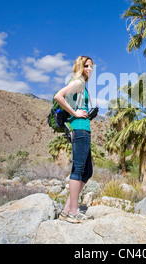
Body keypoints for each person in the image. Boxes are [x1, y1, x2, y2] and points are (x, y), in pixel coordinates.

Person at [53, 55, 94, 223]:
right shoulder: (78, 82)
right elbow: (58, 96)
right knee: (78, 170)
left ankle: (66, 210)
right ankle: (73, 212)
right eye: (86, 66)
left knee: (88, 171)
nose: (89, 69)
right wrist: (75, 113)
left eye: (91, 66)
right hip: (79, 129)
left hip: (83, 129)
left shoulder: (81, 84)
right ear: (80, 67)